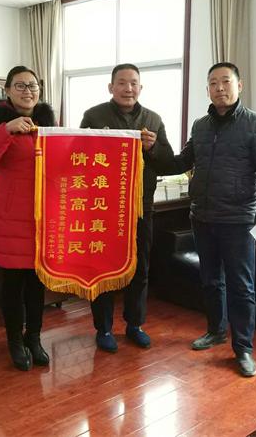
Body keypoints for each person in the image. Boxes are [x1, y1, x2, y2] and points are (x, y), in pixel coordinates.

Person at [163, 62, 256, 376]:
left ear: (239, 86)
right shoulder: (200, 126)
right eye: (213, 83)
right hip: (202, 216)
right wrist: (151, 150)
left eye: (225, 81)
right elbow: (182, 161)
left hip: (240, 221)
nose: (219, 88)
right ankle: (216, 330)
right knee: (211, 280)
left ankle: (243, 348)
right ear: (208, 89)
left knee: (242, 286)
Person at [80, 63, 174, 353]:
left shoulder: (153, 119)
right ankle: (104, 328)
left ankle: (135, 325)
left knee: (140, 267)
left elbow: (168, 163)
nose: (128, 88)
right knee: (103, 268)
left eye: (133, 83)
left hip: (141, 207)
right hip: (103, 208)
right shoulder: (94, 116)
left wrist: (152, 148)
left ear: (140, 88)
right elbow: (77, 156)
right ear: (111, 87)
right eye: (121, 82)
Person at [0, 66, 56, 371]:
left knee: (37, 282)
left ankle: (33, 337)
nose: (27, 91)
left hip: (42, 216)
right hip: (11, 216)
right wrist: (7, 130)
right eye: (20, 86)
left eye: (32, 86)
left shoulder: (47, 123)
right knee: (12, 283)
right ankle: (14, 341)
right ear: (7, 90)